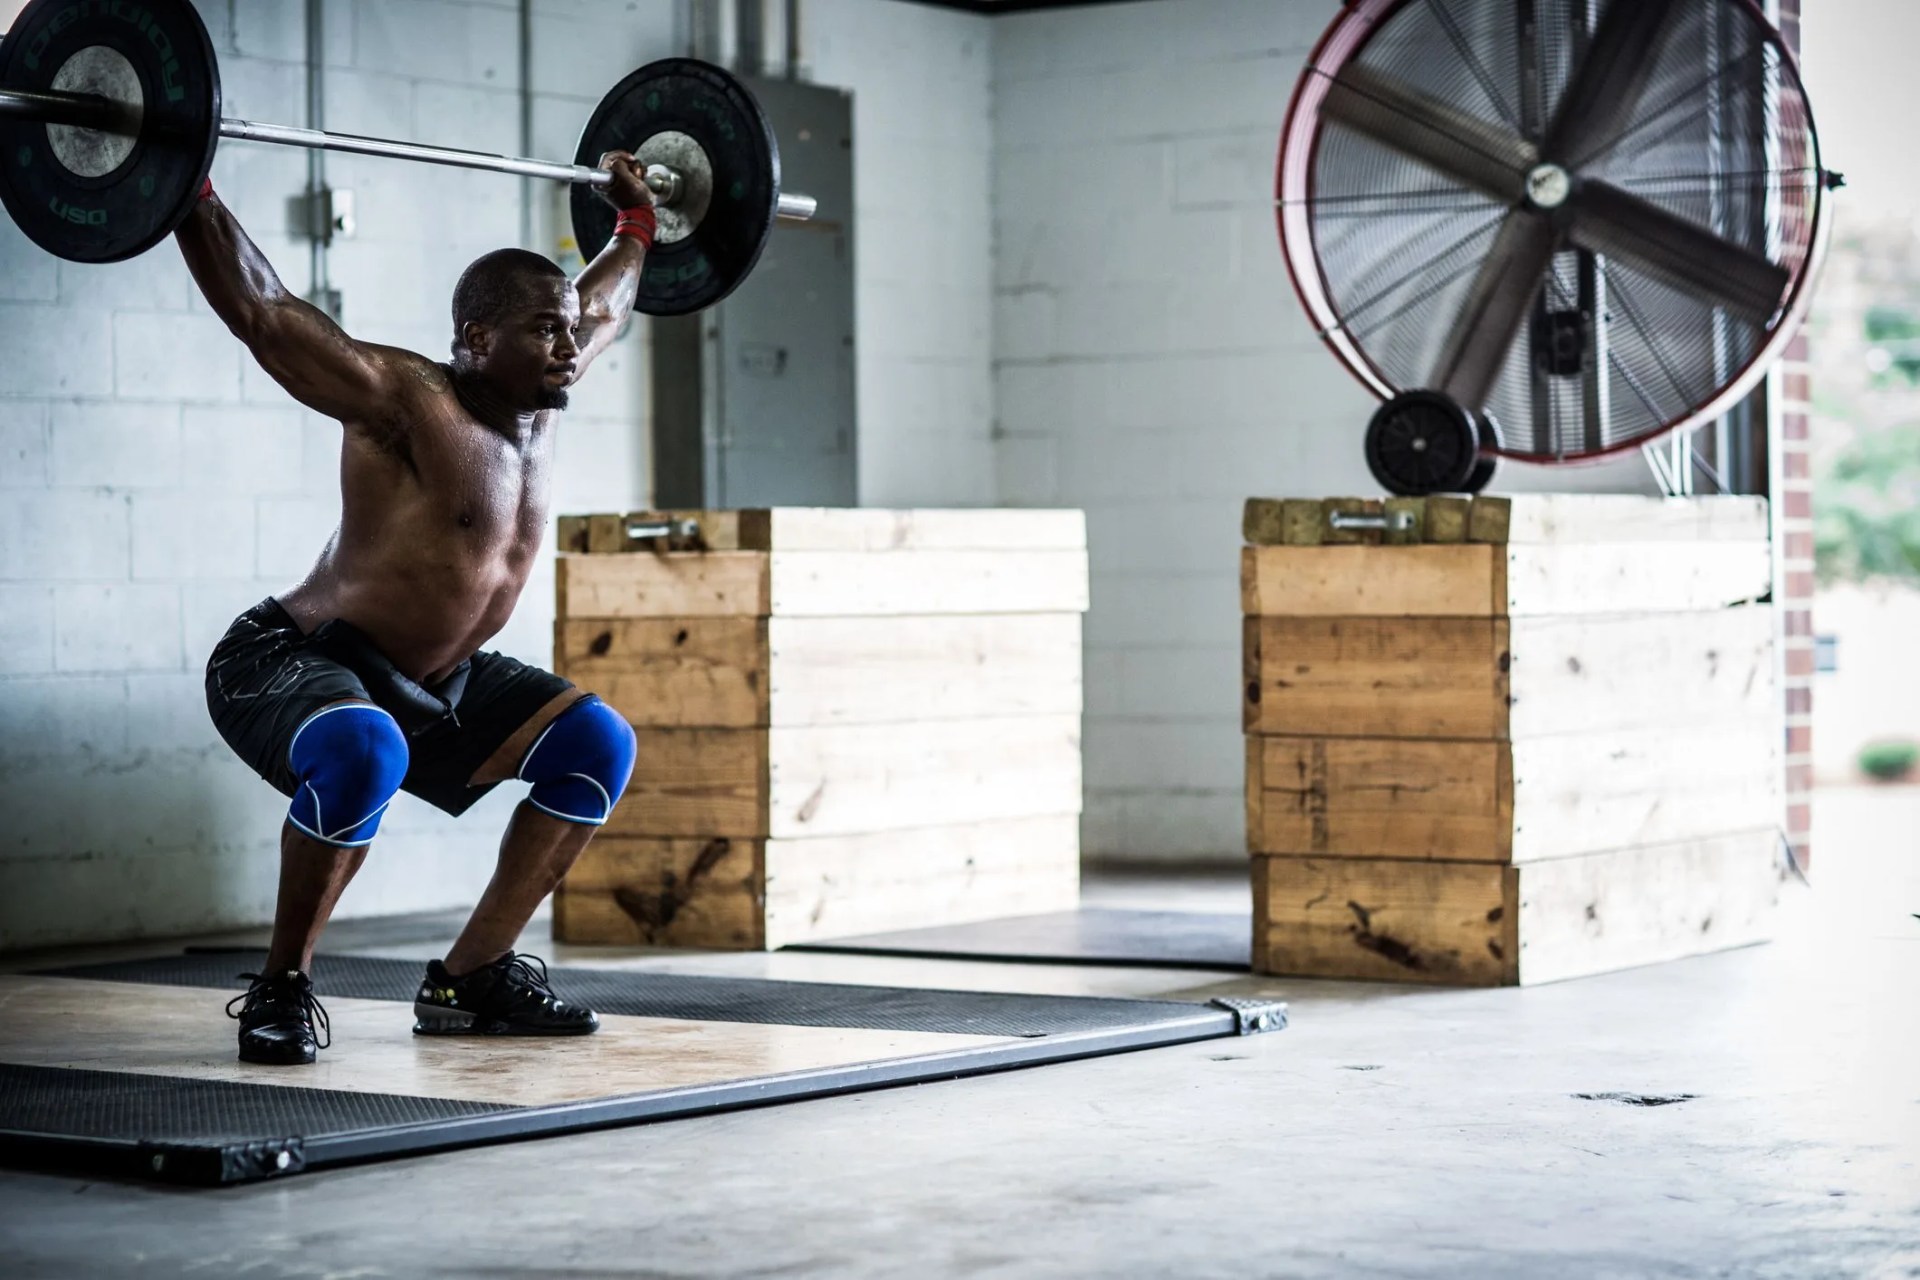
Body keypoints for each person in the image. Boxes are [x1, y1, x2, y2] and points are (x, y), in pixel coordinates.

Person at [177, 154, 657, 1065]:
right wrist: (184, 186)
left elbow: (606, 307)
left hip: (432, 678)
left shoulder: (547, 395)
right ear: (475, 338)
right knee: (366, 748)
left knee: (598, 745)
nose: (568, 345)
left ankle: (470, 978)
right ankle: (282, 986)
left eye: (567, 331)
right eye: (544, 331)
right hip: (290, 656)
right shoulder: (403, 399)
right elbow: (267, 316)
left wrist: (638, 227)